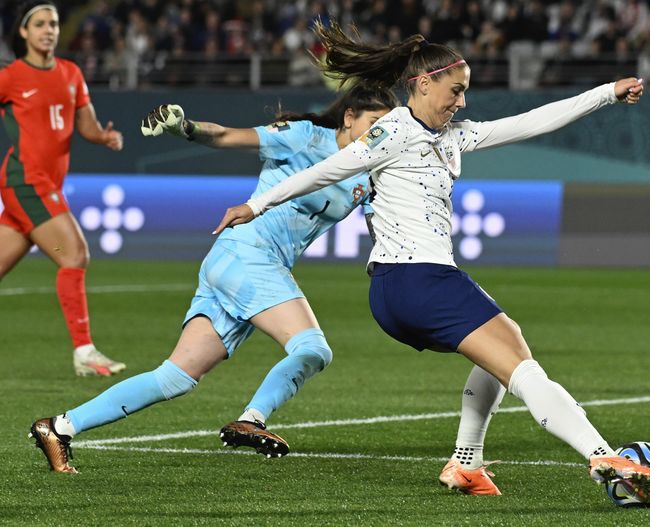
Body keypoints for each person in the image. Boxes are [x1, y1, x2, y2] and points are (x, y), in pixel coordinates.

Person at [211, 21, 650, 504]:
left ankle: (466, 465)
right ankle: (604, 457)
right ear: (422, 84)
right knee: (520, 366)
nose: (462, 102)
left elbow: (532, 120)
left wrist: (606, 93)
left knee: (504, 350)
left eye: (466, 92)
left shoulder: (454, 136)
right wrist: (256, 206)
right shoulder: (394, 131)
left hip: (404, 288)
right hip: (415, 278)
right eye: (456, 90)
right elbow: (328, 170)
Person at [29, 81, 398, 474]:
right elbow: (224, 135)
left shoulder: (366, 170)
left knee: (174, 378)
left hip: (243, 265)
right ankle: (253, 419)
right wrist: (184, 128)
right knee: (313, 349)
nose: (380, 134)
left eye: (387, 128)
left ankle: (59, 427)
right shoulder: (305, 137)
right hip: (248, 255)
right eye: (374, 123)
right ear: (348, 117)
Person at [0, 1, 126, 377]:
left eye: (53, 23)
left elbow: (85, 126)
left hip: (45, 184)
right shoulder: (11, 77)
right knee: (74, 254)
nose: (49, 30)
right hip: (25, 180)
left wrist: (103, 137)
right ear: (24, 32)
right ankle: (84, 351)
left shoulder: (71, 73)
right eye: (39, 24)